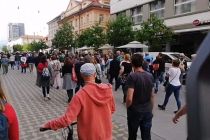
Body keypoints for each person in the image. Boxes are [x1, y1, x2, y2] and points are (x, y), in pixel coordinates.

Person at [40, 63, 115, 140]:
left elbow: (66, 120)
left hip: (88, 136)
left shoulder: (79, 95)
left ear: (81, 75)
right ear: (95, 74)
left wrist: (48, 125)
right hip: (106, 135)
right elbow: (112, 110)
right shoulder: (107, 90)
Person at [126, 53, 155, 140]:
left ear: (132, 63)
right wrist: (151, 109)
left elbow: (129, 98)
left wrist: (128, 107)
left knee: (132, 135)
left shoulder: (132, 76)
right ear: (142, 62)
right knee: (146, 136)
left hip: (135, 111)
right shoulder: (150, 76)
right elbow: (152, 95)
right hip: (147, 111)